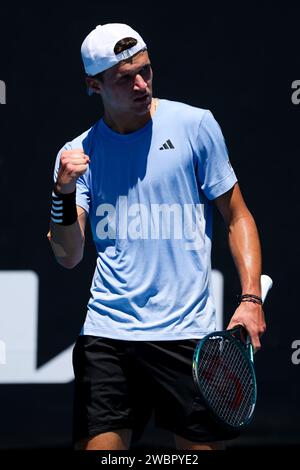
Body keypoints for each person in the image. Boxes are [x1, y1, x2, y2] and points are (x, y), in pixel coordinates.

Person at [47, 23, 266, 451]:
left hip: (189, 338)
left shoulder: (195, 126)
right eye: (124, 77)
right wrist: (63, 191)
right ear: (93, 85)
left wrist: (251, 297)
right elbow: (68, 255)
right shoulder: (76, 155)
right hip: (108, 337)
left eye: (145, 71)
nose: (141, 84)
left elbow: (237, 216)